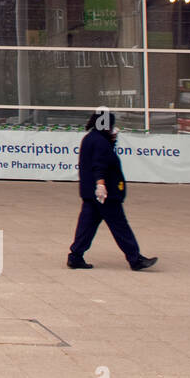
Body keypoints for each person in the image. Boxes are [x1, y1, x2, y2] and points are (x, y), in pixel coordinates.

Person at [68, 111, 155, 271]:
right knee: (120, 227)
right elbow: (99, 165)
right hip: (105, 195)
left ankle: (75, 256)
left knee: (87, 226)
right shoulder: (101, 142)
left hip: (90, 193)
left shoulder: (90, 138)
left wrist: (111, 141)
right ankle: (135, 259)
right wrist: (101, 185)